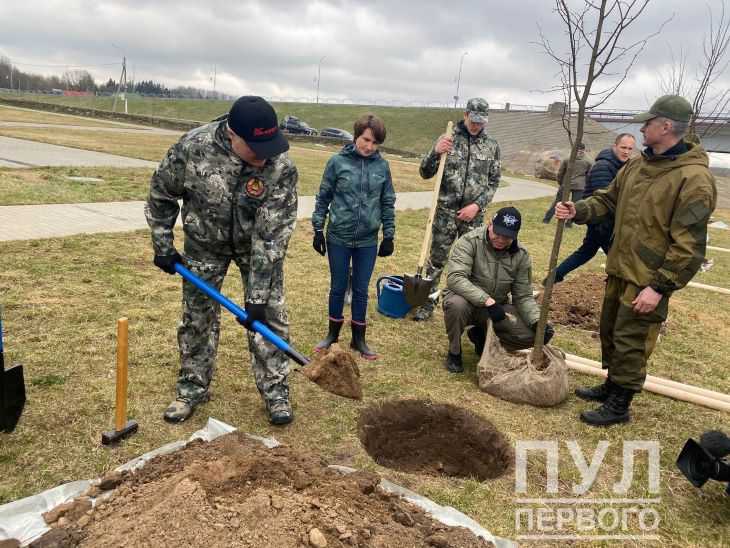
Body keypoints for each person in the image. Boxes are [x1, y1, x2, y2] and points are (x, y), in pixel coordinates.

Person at [556, 95, 717, 426]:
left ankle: (620, 405)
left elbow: (689, 246)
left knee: (632, 339)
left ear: (666, 126)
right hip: (622, 266)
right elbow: (607, 199)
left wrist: (658, 288)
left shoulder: (694, 180)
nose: (641, 128)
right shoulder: (639, 165)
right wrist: (579, 210)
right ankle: (612, 385)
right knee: (613, 330)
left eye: (647, 123)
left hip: (648, 277)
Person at [145, 96, 299, 426]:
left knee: (269, 317)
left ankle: (276, 392)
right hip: (204, 245)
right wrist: (163, 245)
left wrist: (256, 297)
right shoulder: (193, 147)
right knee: (197, 317)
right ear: (233, 136)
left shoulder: (280, 166)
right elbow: (161, 193)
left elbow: (272, 235)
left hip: (255, 248)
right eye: (256, 148)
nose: (264, 156)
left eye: (269, 146)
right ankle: (192, 388)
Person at [311, 114, 396, 360]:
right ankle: (332, 335)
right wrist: (318, 229)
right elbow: (323, 197)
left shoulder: (382, 167)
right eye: (366, 140)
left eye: (375, 143)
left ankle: (359, 339)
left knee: (360, 290)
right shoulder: (337, 162)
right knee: (338, 287)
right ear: (356, 135)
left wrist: (388, 234)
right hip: (338, 236)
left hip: (367, 240)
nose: (369, 147)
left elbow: (387, 201)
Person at [413, 97, 502, 321]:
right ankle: (427, 303)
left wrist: (476, 206)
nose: (476, 125)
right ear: (465, 115)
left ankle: (467, 307)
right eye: (473, 120)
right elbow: (425, 172)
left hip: (473, 216)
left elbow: (493, 182)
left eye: (481, 122)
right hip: (446, 213)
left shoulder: (491, 146)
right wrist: (435, 151)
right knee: (437, 261)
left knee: (472, 264)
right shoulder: (448, 139)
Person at [441, 206, 554, 373]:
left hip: (496, 309)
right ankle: (454, 352)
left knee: (533, 335)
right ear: (490, 224)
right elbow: (455, 278)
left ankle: (481, 336)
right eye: (498, 233)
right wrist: (486, 301)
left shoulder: (521, 255)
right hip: (466, 301)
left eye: (507, 236)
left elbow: (523, 296)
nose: (501, 240)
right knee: (456, 305)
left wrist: (537, 321)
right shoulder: (470, 242)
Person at [550, 133, 636, 283]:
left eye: (630, 148)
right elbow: (604, 199)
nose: (626, 152)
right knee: (615, 255)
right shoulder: (604, 166)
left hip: (605, 220)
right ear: (614, 146)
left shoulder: (621, 166)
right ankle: (616, 280)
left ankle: (554, 276)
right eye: (623, 147)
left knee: (587, 251)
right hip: (601, 220)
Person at [542, 142, 592, 226]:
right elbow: (589, 175)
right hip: (580, 186)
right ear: (584, 150)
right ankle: (569, 223)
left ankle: (546, 220)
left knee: (558, 202)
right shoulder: (588, 161)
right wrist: (585, 184)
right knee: (575, 206)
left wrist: (561, 182)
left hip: (566, 184)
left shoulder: (567, 159)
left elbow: (560, 172)